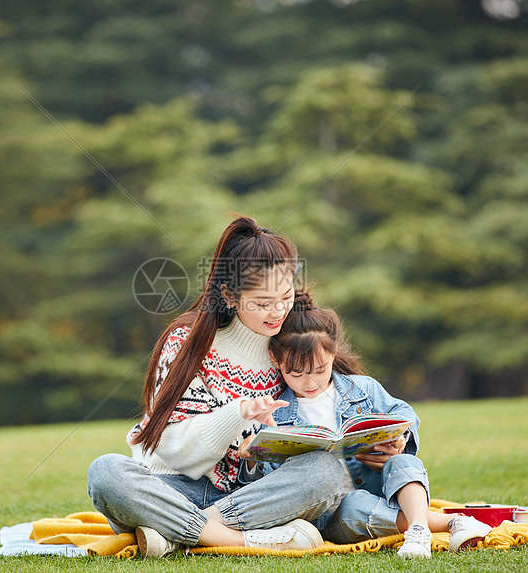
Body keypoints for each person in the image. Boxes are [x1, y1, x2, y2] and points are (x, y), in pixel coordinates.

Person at [87, 216, 345, 557]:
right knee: (106, 473)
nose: (278, 311)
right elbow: (174, 450)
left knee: (325, 472)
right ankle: (237, 540)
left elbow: (346, 394)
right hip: (173, 488)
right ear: (229, 295)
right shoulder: (189, 342)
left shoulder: (290, 344)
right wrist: (237, 413)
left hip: (251, 496)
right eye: (263, 303)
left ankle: (176, 533)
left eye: (285, 297)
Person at [239, 291, 493, 558]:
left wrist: (399, 439)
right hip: (334, 513)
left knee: (404, 463)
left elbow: (403, 414)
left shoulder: (361, 389)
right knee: (355, 504)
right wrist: (252, 458)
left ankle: (419, 531)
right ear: (275, 360)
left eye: (319, 370)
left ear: (333, 352)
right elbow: (268, 486)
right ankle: (452, 523)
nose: (310, 383)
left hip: (381, 487)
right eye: (296, 373)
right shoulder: (275, 413)